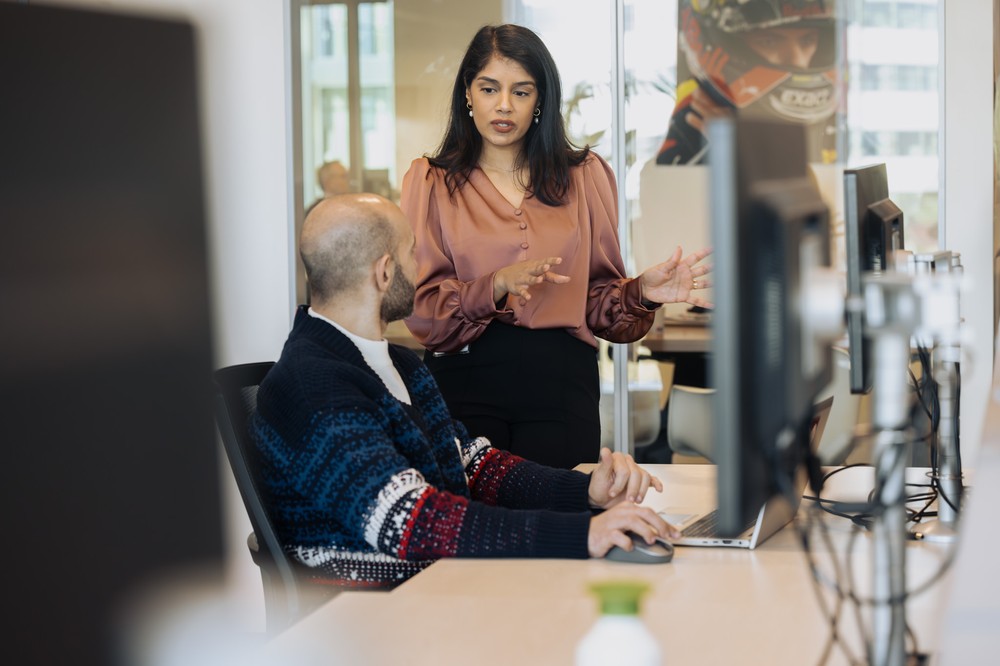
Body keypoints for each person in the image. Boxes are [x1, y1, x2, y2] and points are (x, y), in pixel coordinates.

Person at [250, 193, 680, 593]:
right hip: (376, 616)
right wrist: (581, 534)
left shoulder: (398, 365)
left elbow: (473, 464)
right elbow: (411, 522)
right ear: (384, 272)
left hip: (439, 588)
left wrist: (584, 492)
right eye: (410, 251)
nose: (421, 266)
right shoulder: (314, 385)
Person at [401, 24, 712, 469]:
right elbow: (422, 311)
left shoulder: (584, 177)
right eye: (489, 88)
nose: (504, 105)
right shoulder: (431, 182)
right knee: (479, 530)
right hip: (465, 381)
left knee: (562, 525)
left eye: (521, 92)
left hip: (563, 384)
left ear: (540, 100)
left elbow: (599, 306)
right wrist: (494, 286)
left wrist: (642, 292)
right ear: (468, 94)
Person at [656, 0, 839, 166]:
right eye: (769, 41)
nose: (797, 61)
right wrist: (729, 143)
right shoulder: (698, 113)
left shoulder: (834, 117)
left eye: (808, 40)